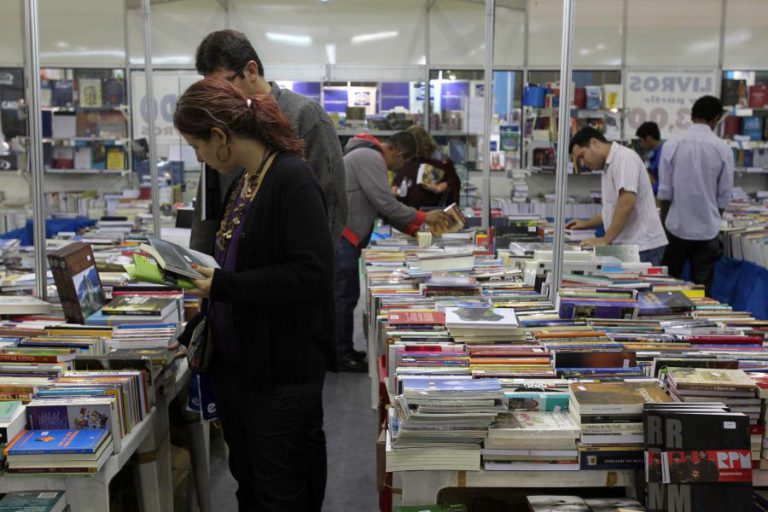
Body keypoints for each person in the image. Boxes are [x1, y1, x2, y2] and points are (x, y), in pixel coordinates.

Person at [174, 78, 335, 511]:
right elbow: (234, 264)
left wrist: (222, 285)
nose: (199, 156)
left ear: (220, 137)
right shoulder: (245, 180)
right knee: (251, 485)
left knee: (280, 489)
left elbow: (312, 273)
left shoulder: (290, 178)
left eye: (197, 145)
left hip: (280, 371)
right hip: (239, 369)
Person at [190, 29, 346, 254]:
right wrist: (200, 264)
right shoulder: (220, 121)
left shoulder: (305, 116)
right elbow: (208, 201)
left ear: (251, 70)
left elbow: (332, 203)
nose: (219, 95)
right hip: (232, 269)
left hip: (289, 272)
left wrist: (313, 269)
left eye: (225, 84)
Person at [335, 134, 449, 372]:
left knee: (345, 295)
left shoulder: (365, 155)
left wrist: (413, 228)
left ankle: (342, 349)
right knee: (344, 296)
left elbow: (382, 208)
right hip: (344, 236)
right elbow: (385, 203)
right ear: (398, 153)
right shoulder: (370, 157)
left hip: (347, 235)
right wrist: (423, 217)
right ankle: (340, 355)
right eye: (403, 162)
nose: (401, 168)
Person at [658, 95, 733, 293]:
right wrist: (713, 216)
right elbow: (724, 195)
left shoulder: (672, 144)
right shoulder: (723, 149)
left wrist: (665, 222)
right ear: (716, 118)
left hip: (676, 227)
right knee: (701, 291)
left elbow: (664, 192)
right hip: (707, 230)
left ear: (692, 116)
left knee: (667, 288)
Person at [566, 127, 668, 265]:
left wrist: (605, 240)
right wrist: (586, 224)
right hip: (630, 246)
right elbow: (613, 209)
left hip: (643, 246)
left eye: (582, 156)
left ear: (595, 143)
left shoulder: (624, 158)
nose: (583, 163)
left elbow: (626, 203)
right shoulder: (608, 166)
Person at [391, 129, 461, 208]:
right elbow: (399, 178)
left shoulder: (440, 160)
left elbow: (454, 181)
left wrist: (442, 187)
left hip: (431, 209)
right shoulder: (408, 160)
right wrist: (394, 187)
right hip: (407, 209)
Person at [635, 121, 664, 195]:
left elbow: (663, 185)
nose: (641, 145)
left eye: (641, 141)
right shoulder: (653, 154)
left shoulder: (663, 154)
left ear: (648, 138)